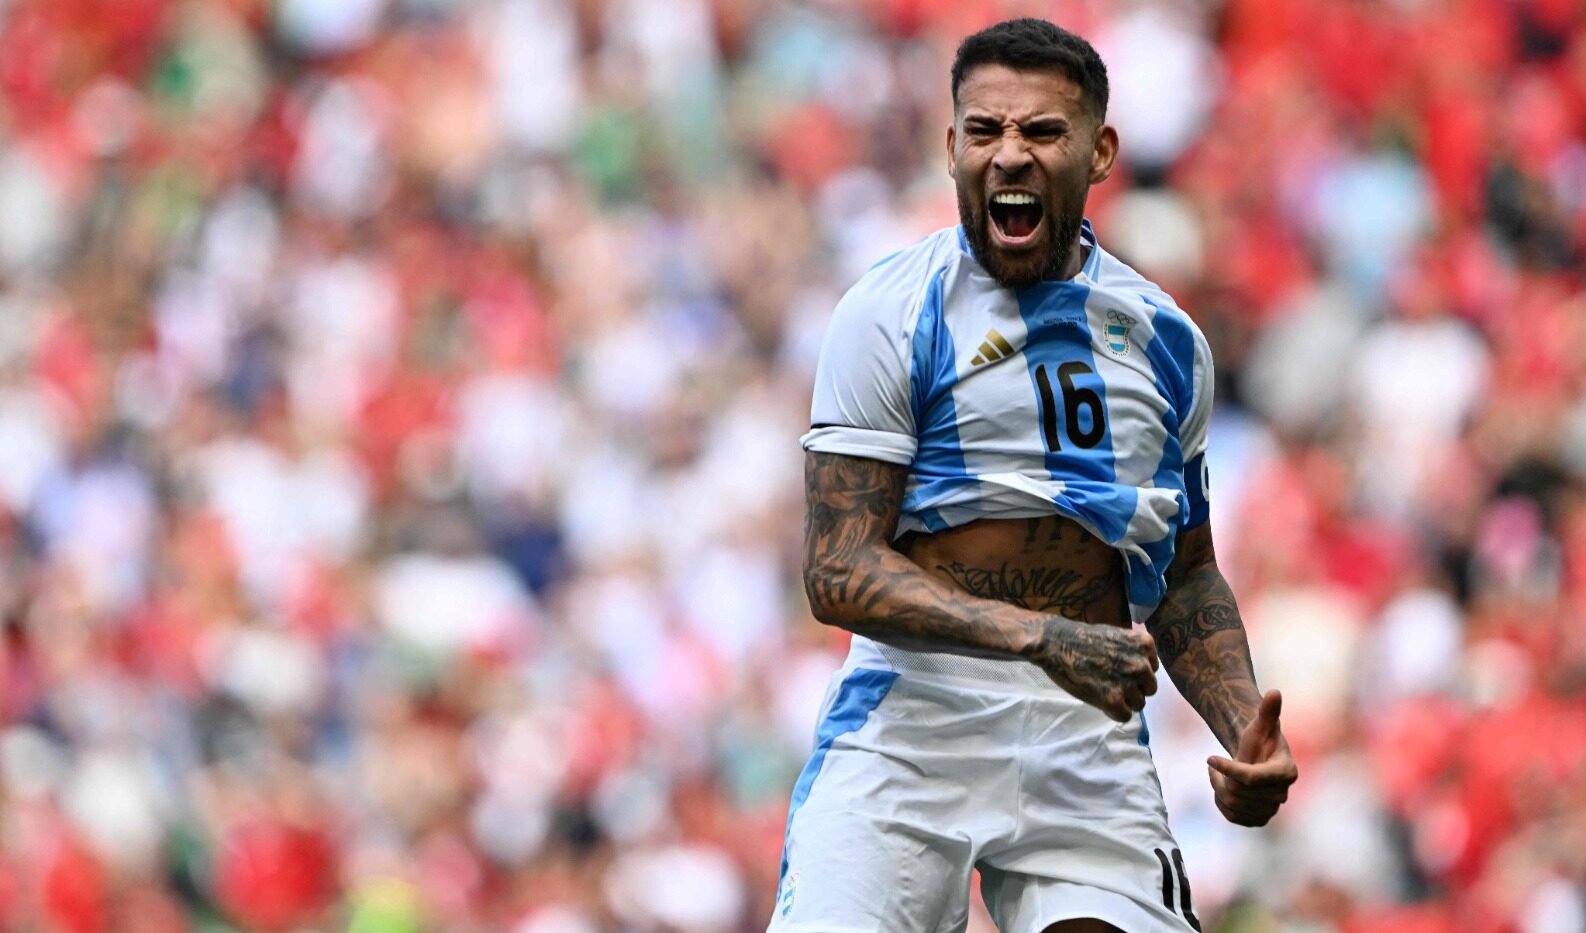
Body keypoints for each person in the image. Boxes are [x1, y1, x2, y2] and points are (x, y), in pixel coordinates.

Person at [772, 18, 1298, 933]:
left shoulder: (1169, 341)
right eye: (985, 131)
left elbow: (1185, 574)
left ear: (1099, 152)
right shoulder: (888, 314)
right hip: (913, 722)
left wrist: (1243, 725)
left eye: (1042, 133)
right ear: (950, 148)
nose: (1009, 154)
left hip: (1084, 735)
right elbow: (837, 570)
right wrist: (1038, 636)